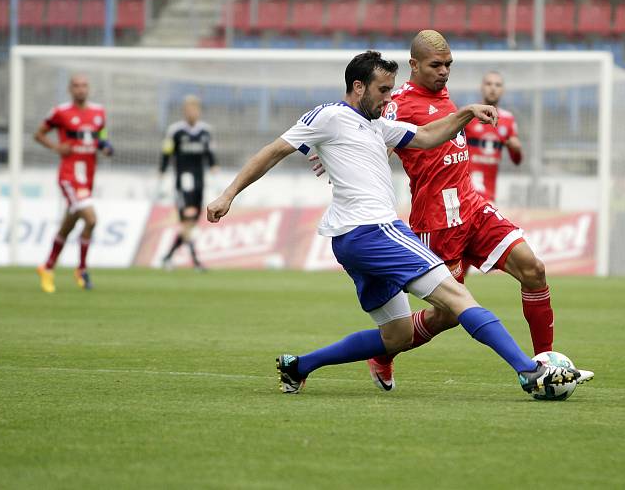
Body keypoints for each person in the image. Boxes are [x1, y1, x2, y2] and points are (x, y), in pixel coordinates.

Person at [206, 51, 580, 395]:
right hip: (375, 230)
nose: (389, 99)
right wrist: (228, 195)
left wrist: (466, 112)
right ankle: (527, 370)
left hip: (350, 242)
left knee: (397, 335)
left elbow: (431, 134)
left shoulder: (377, 127)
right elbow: (274, 150)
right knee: (457, 298)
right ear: (358, 87)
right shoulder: (329, 116)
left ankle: (299, 366)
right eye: (383, 90)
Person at [366, 30, 594, 390]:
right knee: (447, 316)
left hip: (472, 205)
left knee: (533, 269)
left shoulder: (441, 92)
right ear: (413, 65)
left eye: (448, 65)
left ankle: (547, 365)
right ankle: (383, 354)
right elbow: (377, 146)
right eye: (435, 65)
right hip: (437, 221)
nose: (444, 72)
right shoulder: (399, 103)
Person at [35, 74, 113, 292]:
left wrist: (105, 147)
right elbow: (39, 134)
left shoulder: (99, 112)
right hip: (69, 176)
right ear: (70, 89)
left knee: (67, 226)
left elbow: (101, 137)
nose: (81, 89)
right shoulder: (60, 112)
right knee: (91, 218)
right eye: (77, 86)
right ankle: (82, 269)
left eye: (84, 85)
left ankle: (47, 267)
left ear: (89, 88)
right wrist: (56, 147)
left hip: (87, 177)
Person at [158, 95, 217, 271]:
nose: (192, 112)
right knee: (187, 220)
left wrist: (214, 166)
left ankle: (168, 257)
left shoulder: (206, 131)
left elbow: (210, 153)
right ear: (184, 111)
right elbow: (166, 152)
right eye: (189, 109)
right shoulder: (175, 131)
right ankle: (196, 261)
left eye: (195, 109)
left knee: (191, 222)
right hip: (182, 182)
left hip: (199, 182)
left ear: (199, 111)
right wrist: (161, 172)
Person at [465, 71, 524, 204]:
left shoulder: (508, 119)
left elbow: (517, 160)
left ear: (502, 90)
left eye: (497, 85)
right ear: (481, 87)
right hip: (466, 192)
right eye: (489, 84)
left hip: (490, 195)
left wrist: (517, 149)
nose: (493, 88)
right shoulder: (468, 115)